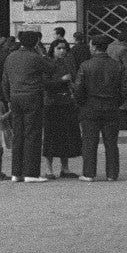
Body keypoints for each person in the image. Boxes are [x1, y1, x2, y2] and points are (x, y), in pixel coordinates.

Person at [73, 34, 127, 182]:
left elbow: (78, 88)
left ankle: (89, 173)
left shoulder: (86, 65)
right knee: (111, 143)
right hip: (111, 106)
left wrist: (81, 103)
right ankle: (112, 173)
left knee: (89, 142)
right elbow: (125, 89)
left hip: (90, 107)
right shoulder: (117, 65)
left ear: (93, 47)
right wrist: (117, 102)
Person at [1, 30, 51, 183]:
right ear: (35, 42)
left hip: (15, 97)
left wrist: (8, 97)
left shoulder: (11, 57)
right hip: (32, 96)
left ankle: (16, 173)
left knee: (18, 134)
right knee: (32, 134)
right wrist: (42, 53)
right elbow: (51, 69)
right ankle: (31, 173)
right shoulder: (35, 57)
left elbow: (5, 80)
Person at [42, 40, 82, 179]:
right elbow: (45, 83)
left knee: (65, 136)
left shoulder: (66, 63)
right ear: (52, 49)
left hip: (66, 102)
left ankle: (65, 168)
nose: (62, 51)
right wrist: (62, 80)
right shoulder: (47, 64)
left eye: (64, 48)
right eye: (59, 48)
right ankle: (49, 169)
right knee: (51, 136)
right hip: (52, 103)